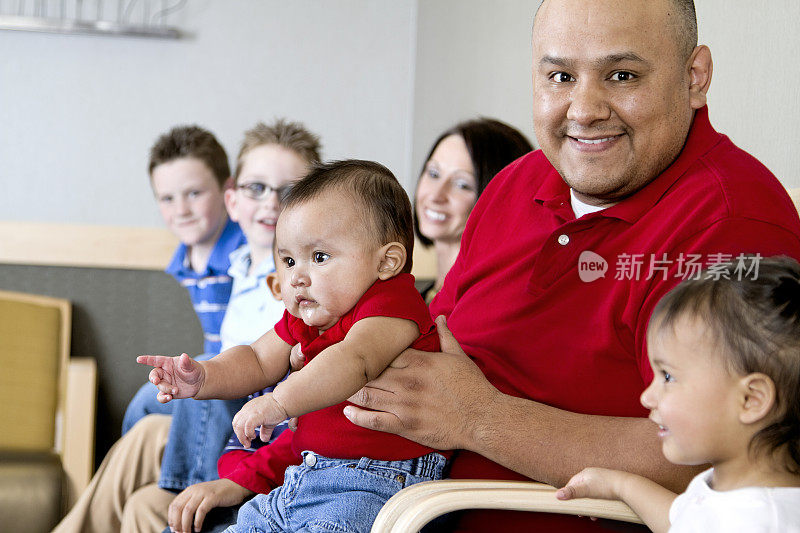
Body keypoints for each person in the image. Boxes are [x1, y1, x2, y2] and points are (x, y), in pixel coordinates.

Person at [337, 0, 800, 531]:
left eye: (621, 75)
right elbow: (429, 344)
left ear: (695, 77)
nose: (583, 110)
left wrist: (481, 420)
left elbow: (739, 453)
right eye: (560, 76)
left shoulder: (733, 224)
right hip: (366, 492)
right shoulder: (516, 182)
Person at [139, 160, 448, 532]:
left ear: (386, 262)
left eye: (319, 257)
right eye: (287, 260)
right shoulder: (309, 318)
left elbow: (355, 361)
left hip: (378, 487)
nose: (297, 277)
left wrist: (278, 402)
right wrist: (204, 377)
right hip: (305, 477)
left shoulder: (392, 306)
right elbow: (255, 358)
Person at [52, 119, 322, 533]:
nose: (270, 202)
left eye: (287, 192)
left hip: (258, 435)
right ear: (236, 199)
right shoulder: (242, 268)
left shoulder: (297, 282)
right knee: (146, 432)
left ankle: (187, 486)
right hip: (234, 428)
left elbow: (278, 382)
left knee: (168, 398)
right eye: (257, 188)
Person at [557, 256, 800, 532]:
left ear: (750, 400)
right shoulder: (727, 490)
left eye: (668, 376)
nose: (646, 398)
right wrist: (620, 486)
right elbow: (681, 521)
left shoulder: (760, 522)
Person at [122, 125, 246, 432]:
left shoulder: (245, 251)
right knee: (147, 407)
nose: (181, 210)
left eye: (194, 193)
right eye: (167, 198)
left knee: (147, 400)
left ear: (227, 192)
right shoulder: (183, 261)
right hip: (215, 373)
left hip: (247, 372)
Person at [413, 118, 533, 301]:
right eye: (434, 174)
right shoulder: (411, 294)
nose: (436, 195)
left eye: (462, 185)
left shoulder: (488, 306)